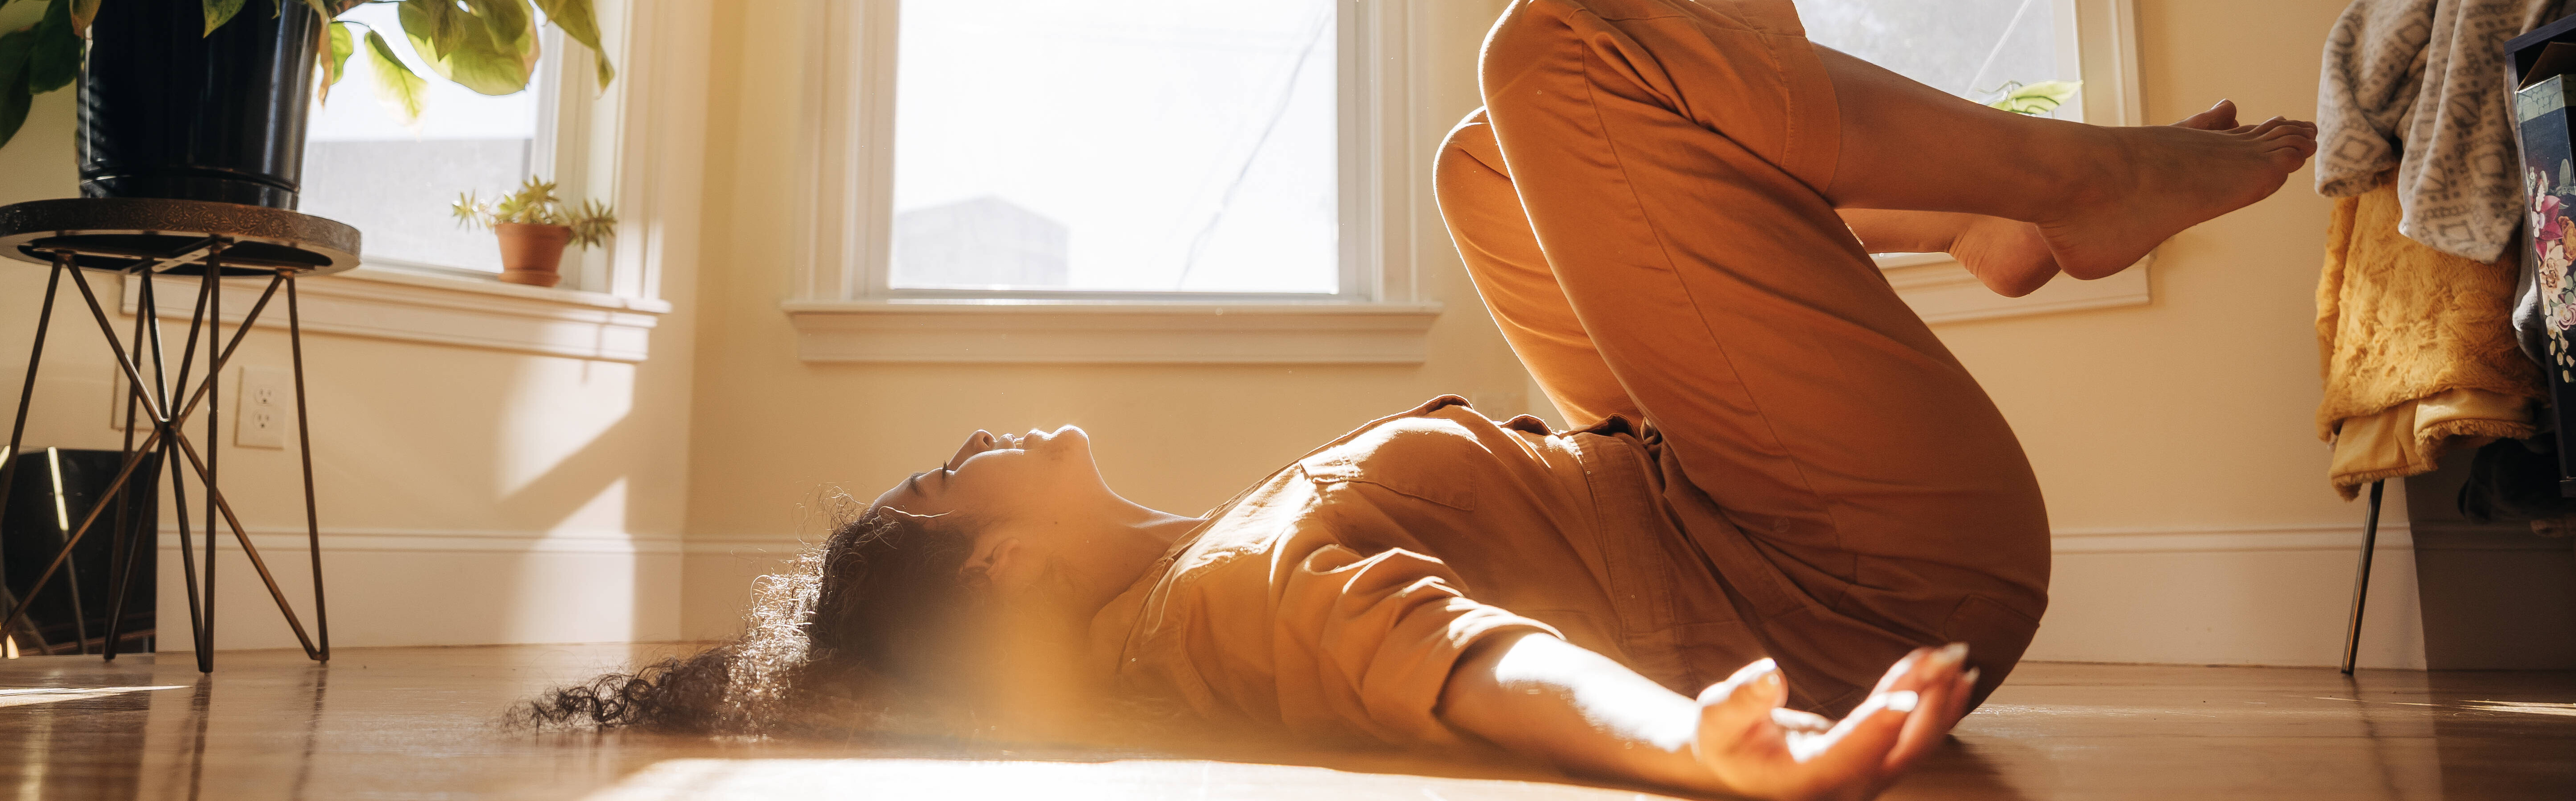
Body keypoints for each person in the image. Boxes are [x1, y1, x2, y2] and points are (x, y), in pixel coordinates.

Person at [522, 1, 2313, 799]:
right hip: (1863, 569)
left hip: (1716, 504)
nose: (973, 440)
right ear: (996, 575)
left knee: (1484, 160)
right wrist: (1696, 748)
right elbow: (1465, 662)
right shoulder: (1236, 599)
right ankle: (2068, 182)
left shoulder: (1206, 561)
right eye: (945, 477)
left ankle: (1982, 213)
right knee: (1560, 53)